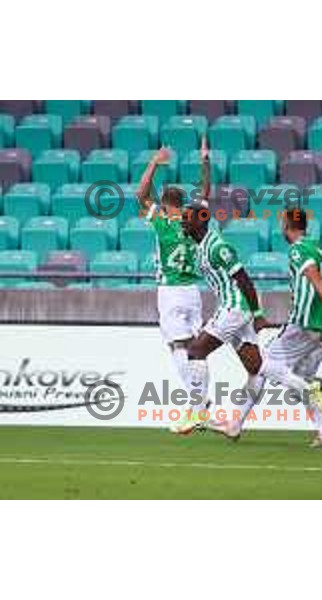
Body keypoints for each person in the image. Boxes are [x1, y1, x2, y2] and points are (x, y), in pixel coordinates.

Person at [213, 207, 322, 448]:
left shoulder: (298, 250)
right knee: (294, 378)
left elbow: (316, 281)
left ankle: (238, 423)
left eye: (282, 224)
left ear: (287, 226)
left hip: (302, 325)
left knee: (261, 364)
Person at [136, 139, 210, 431]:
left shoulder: (163, 222)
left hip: (170, 291)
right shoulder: (194, 221)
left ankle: (198, 405)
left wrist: (154, 162)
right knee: (196, 349)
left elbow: (140, 195)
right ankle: (200, 404)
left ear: (165, 205)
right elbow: (205, 192)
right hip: (194, 292)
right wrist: (205, 161)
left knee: (177, 347)